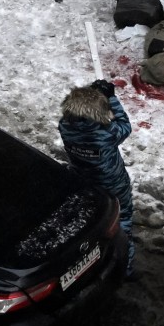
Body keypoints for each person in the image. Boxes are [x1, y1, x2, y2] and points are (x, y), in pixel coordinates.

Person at [58, 80, 140, 281]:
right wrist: (110, 97)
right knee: (124, 219)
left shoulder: (65, 127)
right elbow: (125, 125)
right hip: (114, 185)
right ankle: (125, 267)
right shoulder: (105, 133)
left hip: (84, 182)